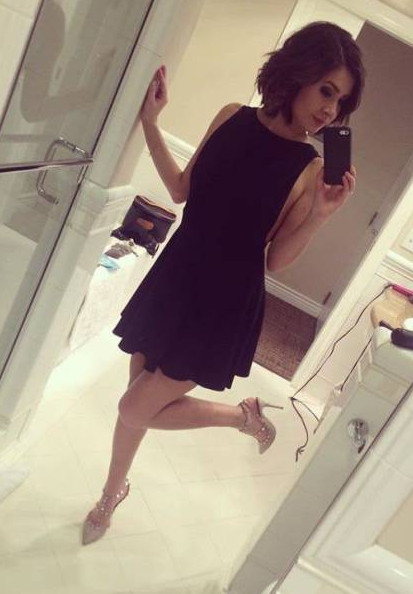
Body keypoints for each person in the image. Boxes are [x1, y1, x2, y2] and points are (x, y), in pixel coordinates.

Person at [81, 21, 365, 545]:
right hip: (176, 274)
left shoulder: (309, 167)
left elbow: (276, 260)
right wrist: (150, 122)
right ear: (298, 73)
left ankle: (240, 417)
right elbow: (180, 189)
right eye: (327, 90)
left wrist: (320, 216)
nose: (331, 110)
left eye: (340, 101)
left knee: (134, 407)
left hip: (225, 301)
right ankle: (110, 493)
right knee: (138, 399)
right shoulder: (232, 116)